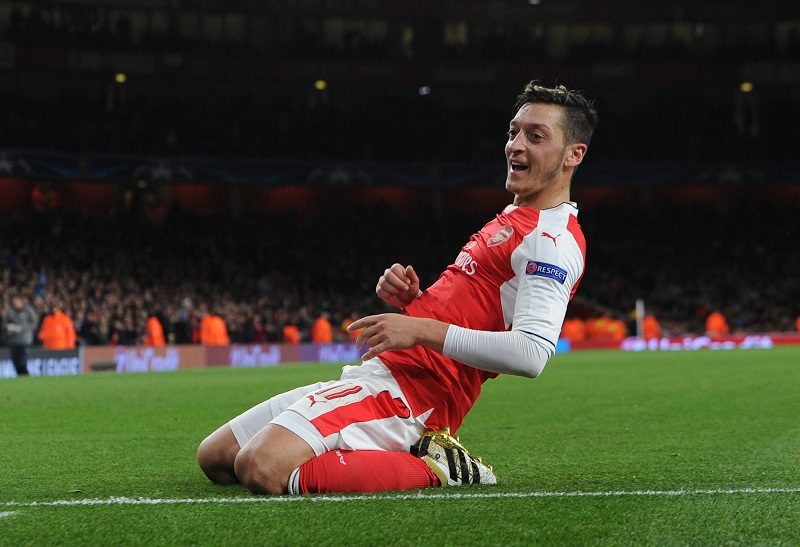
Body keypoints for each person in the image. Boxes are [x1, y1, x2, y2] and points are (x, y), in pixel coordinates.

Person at [196, 81, 597, 495]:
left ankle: (440, 468)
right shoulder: (515, 217)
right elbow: (478, 310)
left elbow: (531, 354)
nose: (516, 145)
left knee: (261, 467)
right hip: (384, 373)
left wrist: (418, 328)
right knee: (216, 457)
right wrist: (414, 302)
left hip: (416, 396)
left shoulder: (551, 241)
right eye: (514, 132)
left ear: (574, 154)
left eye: (536, 136)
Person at [2, 293, 39, 376]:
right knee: (16, 363)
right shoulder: (9, 312)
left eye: (17, 301)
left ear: (21, 301)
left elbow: (34, 324)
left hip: (24, 340)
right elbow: (3, 324)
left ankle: (25, 376)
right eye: (14, 301)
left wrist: (22, 328)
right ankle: (21, 378)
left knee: (22, 362)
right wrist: (9, 327)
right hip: (13, 341)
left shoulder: (28, 310)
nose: (15, 303)